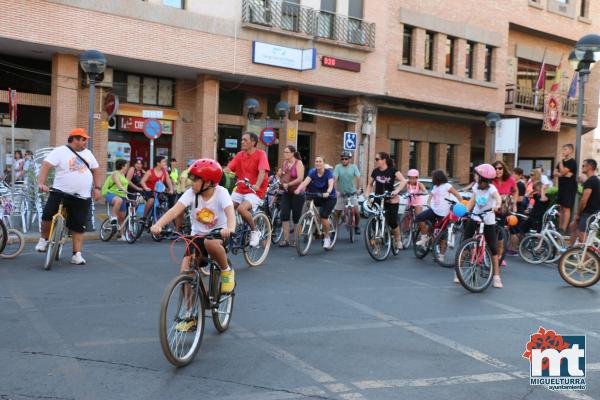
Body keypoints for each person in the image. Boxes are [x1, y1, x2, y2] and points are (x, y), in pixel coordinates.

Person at [151, 159, 236, 332]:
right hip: (196, 236)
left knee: (210, 242)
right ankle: (190, 315)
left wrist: (230, 228)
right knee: (186, 271)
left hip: (219, 234)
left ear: (209, 182)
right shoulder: (191, 193)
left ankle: (227, 271)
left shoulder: (221, 193)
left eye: (195, 179)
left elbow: (230, 212)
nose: (191, 182)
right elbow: (175, 210)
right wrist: (158, 225)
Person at [35, 128, 102, 265]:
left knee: (78, 226)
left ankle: (76, 254)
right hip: (60, 191)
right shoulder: (60, 151)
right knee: (47, 215)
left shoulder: (88, 154)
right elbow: (46, 165)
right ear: (75, 138)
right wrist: (41, 183)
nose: (85, 142)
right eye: (83, 139)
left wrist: (97, 188)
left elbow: (96, 171)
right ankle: (44, 239)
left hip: (81, 196)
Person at [224, 132, 270, 247]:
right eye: (242, 140)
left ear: (253, 142)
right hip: (240, 189)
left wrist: (257, 185)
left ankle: (255, 231)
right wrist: (218, 173)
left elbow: (262, 171)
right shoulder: (240, 155)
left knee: (241, 209)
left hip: (255, 191)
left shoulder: (261, 154)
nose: (242, 142)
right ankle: (229, 229)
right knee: (226, 207)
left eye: (245, 140)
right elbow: (228, 169)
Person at [461, 163, 503, 287]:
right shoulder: (475, 187)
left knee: (493, 248)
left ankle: (496, 276)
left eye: (477, 175)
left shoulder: (492, 189)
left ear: (483, 177)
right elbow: (472, 202)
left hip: (488, 220)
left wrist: (497, 205)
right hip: (475, 218)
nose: (475, 176)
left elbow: (498, 198)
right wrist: (465, 212)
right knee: (465, 243)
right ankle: (458, 271)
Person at [415, 169, 462, 259]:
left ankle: (441, 255)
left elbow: (457, 195)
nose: (432, 178)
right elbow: (431, 195)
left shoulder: (447, 186)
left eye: (433, 177)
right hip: (434, 210)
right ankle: (425, 237)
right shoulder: (435, 187)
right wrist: (428, 203)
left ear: (437, 177)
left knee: (442, 236)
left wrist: (462, 203)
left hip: (444, 214)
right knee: (419, 217)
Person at [365, 152, 407, 250]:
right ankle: (377, 237)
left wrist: (396, 191)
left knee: (392, 221)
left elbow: (403, 181)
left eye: (377, 159)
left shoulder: (392, 170)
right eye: (375, 159)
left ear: (384, 160)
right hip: (378, 198)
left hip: (391, 198)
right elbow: (370, 184)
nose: (376, 161)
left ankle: (398, 239)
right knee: (375, 219)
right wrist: (367, 195)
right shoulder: (375, 171)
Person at [295, 156, 336, 249]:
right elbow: (305, 182)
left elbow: (331, 184)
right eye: (316, 161)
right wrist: (298, 189)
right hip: (318, 196)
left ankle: (327, 237)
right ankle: (314, 227)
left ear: (323, 163)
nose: (318, 163)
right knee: (310, 205)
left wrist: (328, 192)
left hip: (329, 197)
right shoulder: (313, 173)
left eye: (320, 161)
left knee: (323, 215)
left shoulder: (328, 173)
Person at [492, 160, 518, 266]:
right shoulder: (490, 180)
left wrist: (515, 203)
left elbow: (515, 190)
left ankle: (500, 256)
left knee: (500, 234)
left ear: (503, 169)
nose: (498, 170)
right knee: (489, 231)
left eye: (500, 168)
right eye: (496, 168)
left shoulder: (510, 179)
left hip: (503, 210)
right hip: (491, 209)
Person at [278, 145, 305, 247]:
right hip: (286, 192)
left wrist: (288, 184)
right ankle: (286, 240)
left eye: (287, 152)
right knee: (284, 215)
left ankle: (295, 239)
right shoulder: (285, 163)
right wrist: (280, 175)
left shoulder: (299, 163)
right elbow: (283, 176)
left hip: (297, 192)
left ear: (292, 153)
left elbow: (300, 179)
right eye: (284, 152)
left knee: (296, 217)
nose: (285, 154)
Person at [571, 159, 600, 244]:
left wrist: (578, 214)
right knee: (573, 226)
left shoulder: (590, 181)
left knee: (583, 239)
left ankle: (587, 256)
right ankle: (570, 252)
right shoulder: (595, 180)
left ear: (589, 167)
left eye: (583, 165)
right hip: (593, 212)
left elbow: (584, 200)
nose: (582, 167)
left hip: (589, 213)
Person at [333, 151, 361, 235]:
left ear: (349, 159)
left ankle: (356, 226)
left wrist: (358, 188)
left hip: (352, 193)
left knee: (357, 211)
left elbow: (358, 178)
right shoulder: (338, 167)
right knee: (336, 212)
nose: (344, 160)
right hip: (341, 193)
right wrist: (335, 190)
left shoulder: (354, 167)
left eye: (346, 159)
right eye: (342, 159)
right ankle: (334, 230)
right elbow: (335, 179)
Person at [140, 156, 174, 223]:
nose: (165, 163)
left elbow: (168, 181)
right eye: (163, 162)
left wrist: (171, 189)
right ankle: (144, 217)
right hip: (150, 192)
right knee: (151, 200)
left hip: (159, 192)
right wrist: (146, 188)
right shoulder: (150, 172)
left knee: (166, 201)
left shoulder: (165, 172)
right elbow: (142, 181)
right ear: (158, 163)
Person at [553, 144, 578, 233]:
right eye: (563, 149)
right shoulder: (562, 162)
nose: (563, 151)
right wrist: (562, 174)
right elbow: (554, 173)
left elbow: (562, 172)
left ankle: (563, 229)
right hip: (561, 187)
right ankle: (559, 227)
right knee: (560, 207)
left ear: (571, 151)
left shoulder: (572, 162)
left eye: (565, 149)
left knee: (566, 208)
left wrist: (560, 164)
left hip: (569, 188)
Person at [104, 159, 130, 240]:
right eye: (126, 165)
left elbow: (125, 185)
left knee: (122, 217)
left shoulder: (123, 174)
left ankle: (122, 235)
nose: (127, 166)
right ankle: (113, 217)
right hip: (111, 194)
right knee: (118, 200)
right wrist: (123, 189)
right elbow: (118, 184)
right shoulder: (115, 173)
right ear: (122, 166)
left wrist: (126, 194)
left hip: (122, 196)